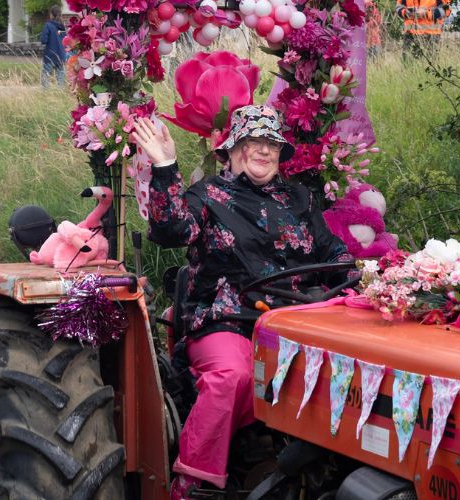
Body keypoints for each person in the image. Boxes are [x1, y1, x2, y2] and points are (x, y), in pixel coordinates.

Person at [131, 105, 350, 500]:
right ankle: (193, 483)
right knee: (236, 376)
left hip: (296, 321)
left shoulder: (299, 198)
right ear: (231, 151)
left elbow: (331, 253)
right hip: (226, 320)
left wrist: (366, 278)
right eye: (252, 142)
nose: (263, 151)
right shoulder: (208, 195)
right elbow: (170, 230)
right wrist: (166, 167)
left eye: (271, 143)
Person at [40, 5, 67, 88]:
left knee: (46, 75)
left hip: (50, 55)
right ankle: (61, 93)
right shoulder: (63, 27)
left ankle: (45, 93)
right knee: (60, 76)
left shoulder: (48, 25)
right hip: (61, 55)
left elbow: (43, 40)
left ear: (51, 14)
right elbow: (66, 41)